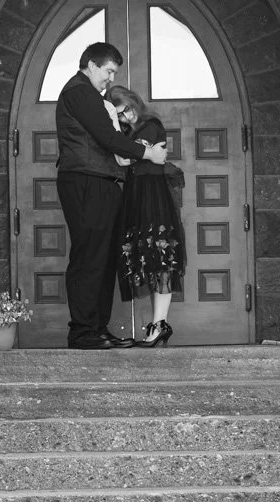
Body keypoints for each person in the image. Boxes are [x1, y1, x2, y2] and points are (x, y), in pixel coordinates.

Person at [55, 42, 167, 350]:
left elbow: (110, 137)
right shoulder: (79, 92)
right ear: (91, 65)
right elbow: (108, 137)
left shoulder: (92, 95)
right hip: (85, 182)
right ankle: (82, 332)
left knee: (103, 259)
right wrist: (147, 153)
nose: (110, 77)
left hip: (102, 183)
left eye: (113, 72)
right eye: (108, 70)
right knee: (89, 256)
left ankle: (97, 329)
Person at [107, 85, 185, 347]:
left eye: (126, 110)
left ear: (134, 102)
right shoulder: (129, 132)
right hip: (137, 197)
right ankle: (157, 324)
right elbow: (125, 157)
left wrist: (120, 138)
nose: (125, 117)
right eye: (118, 115)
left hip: (153, 197)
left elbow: (124, 159)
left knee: (161, 257)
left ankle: (160, 324)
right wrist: (118, 131)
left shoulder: (150, 125)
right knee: (148, 259)